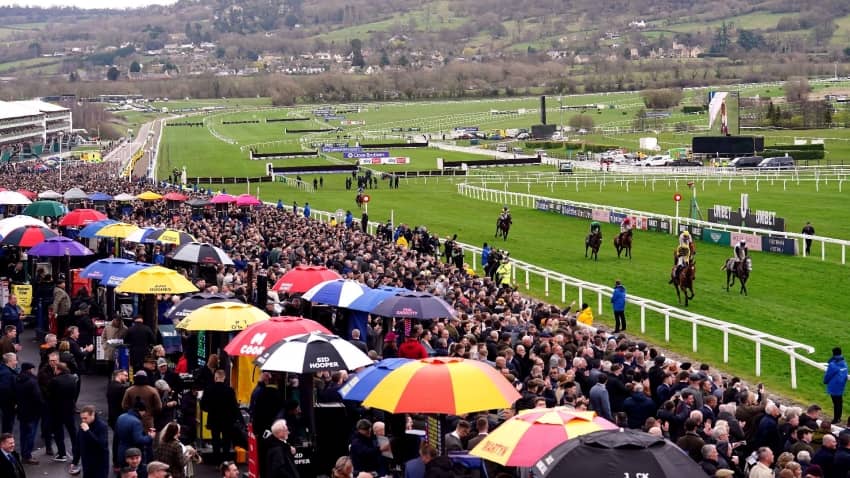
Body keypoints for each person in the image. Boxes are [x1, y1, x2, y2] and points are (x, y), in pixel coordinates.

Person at [200, 369, 239, 462]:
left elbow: (203, 405)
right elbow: (234, 406)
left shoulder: (209, 389)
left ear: (215, 377)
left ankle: (217, 461)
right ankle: (226, 460)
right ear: (224, 378)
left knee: (215, 440)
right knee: (226, 441)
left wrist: (210, 410)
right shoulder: (230, 390)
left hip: (214, 419)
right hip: (227, 419)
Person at [14, 362, 42, 465]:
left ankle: (23, 453)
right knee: (31, 434)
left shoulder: (17, 379)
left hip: (22, 411)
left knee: (23, 434)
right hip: (32, 412)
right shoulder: (32, 381)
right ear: (29, 370)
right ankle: (27, 456)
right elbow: (38, 397)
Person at [77, 405, 109, 478]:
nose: (83, 421)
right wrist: (75, 461)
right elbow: (78, 443)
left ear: (93, 415)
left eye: (85, 418)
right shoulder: (82, 426)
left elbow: (101, 445)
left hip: (99, 463)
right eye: (82, 418)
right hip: (87, 462)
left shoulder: (102, 426)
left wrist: (88, 431)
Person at [823, 346, 848, 424]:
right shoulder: (844, 363)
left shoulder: (832, 364)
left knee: (836, 403)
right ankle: (838, 418)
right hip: (841, 385)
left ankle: (835, 419)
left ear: (833, 354)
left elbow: (828, 375)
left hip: (833, 386)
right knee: (839, 402)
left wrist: (825, 381)